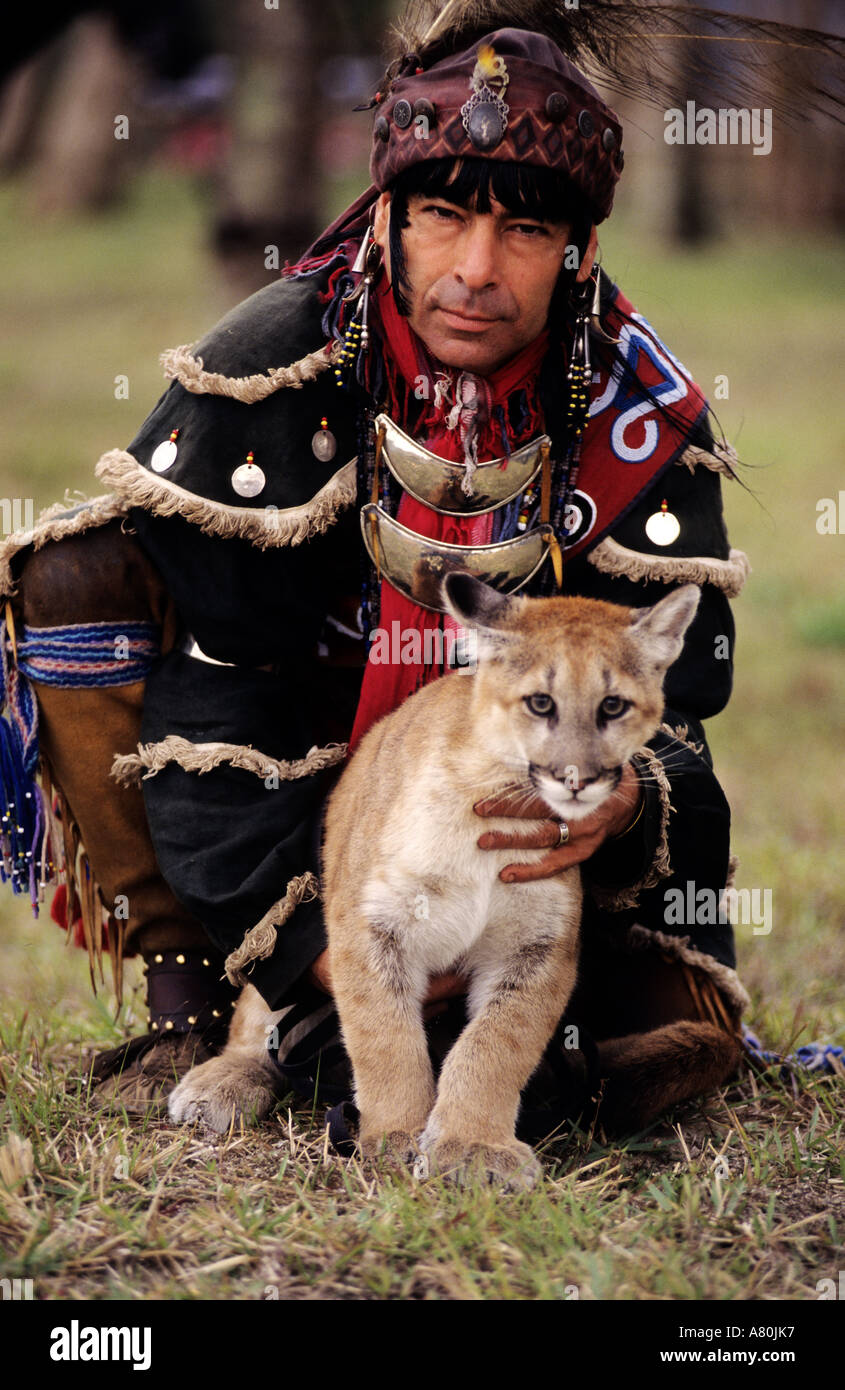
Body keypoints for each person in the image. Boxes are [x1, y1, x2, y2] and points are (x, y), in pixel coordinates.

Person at [0, 15, 754, 1133]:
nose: (475, 271)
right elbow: (217, 698)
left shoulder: (638, 410)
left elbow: (676, 712)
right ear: (388, 219)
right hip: (302, 783)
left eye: (526, 231)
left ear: (580, 252)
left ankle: (540, 1023)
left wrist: (625, 806)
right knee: (73, 577)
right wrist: (318, 948)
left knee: (678, 1036)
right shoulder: (270, 362)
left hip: (539, 817)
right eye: (441, 216)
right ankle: (198, 1001)